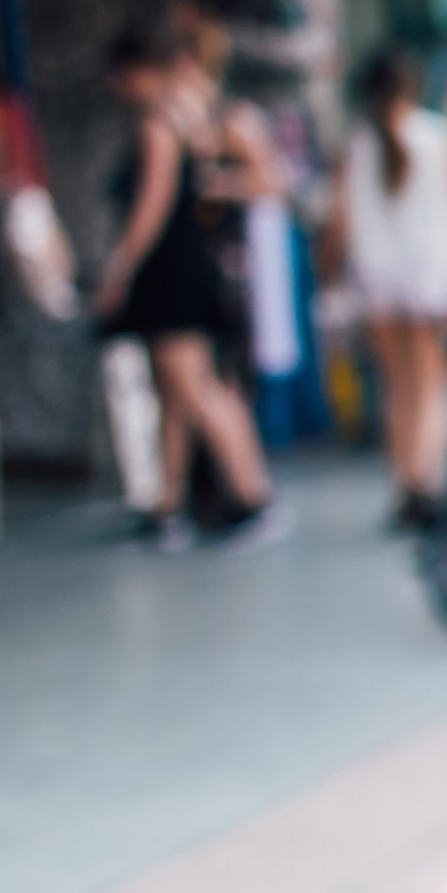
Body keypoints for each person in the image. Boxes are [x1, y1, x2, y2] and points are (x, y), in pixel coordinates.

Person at [91, 27, 280, 547]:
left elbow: (151, 205)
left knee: (193, 388)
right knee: (175, 390)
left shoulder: (167, 121)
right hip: (185, 268)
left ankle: (251, 494)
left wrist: (121, 265)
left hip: (172, 269)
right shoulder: (194, 118)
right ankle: (168, 503)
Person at [336, 47, 447, 527]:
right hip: (429, 276)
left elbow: (343, 219)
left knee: (397, 388)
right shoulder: (434, 134)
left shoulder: (360, 142)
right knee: (432, 385)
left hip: (378, 277)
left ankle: (403, 482)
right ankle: (426, 480)